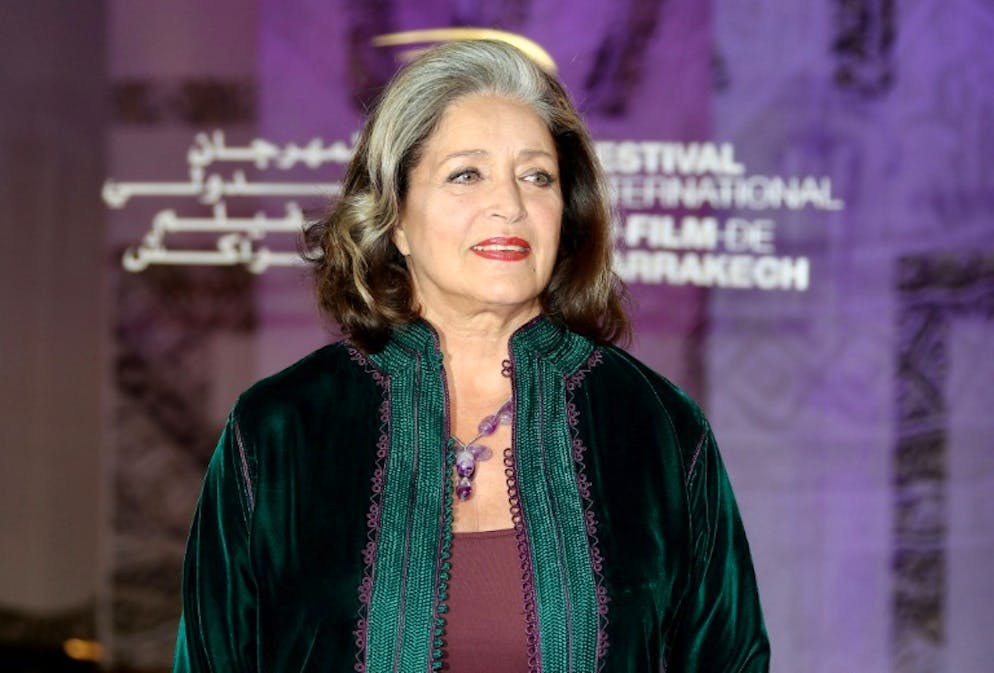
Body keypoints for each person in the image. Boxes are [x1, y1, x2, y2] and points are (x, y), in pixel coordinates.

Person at [172, 39, 769, 672]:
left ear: (567, 213)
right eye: (467, 174)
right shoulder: (277, 430)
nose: (510, 205)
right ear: (395, 216)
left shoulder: (659, 429)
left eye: (537, 177)